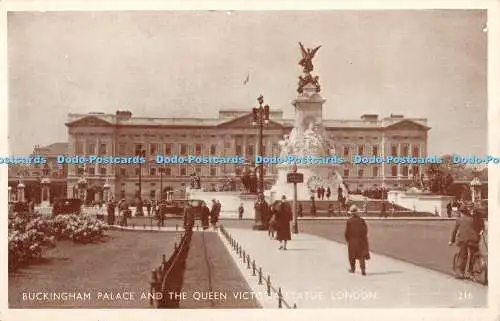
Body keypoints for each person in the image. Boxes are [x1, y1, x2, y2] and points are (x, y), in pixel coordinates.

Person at [449, 205, 483, 279]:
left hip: (463, 240)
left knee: (463, 255)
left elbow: (454, 231)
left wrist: (452, 241)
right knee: (473, 254)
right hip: (474, 239)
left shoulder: (459, 219)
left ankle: (461, 272)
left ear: (462, 212)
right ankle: (471, 272)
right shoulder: (473, 219)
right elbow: (480, 227)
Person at [344, 205, 370, 275]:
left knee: (352, 256)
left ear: (351, 213)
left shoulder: (349, 221)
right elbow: (365, 230)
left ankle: (353, 269)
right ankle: (363, 270)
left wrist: (348, 239)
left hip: (352, 241)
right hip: (361, 241)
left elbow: (347, 232)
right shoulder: (361, 220)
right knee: (361, 256)